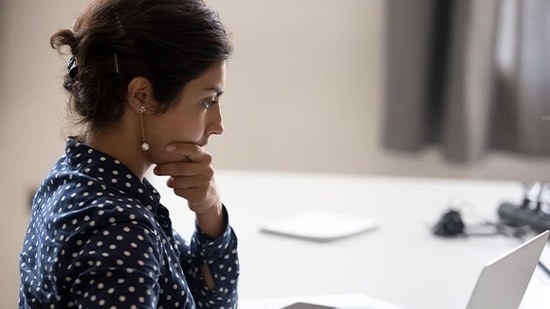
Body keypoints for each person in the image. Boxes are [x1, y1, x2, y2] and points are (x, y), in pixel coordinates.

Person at [18, 0, 239, 308]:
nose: (218, 126)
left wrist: (210, 211)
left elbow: (207, 301)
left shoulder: (75, 176)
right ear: (142, 96)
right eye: (207, 101)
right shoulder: (119, 228)